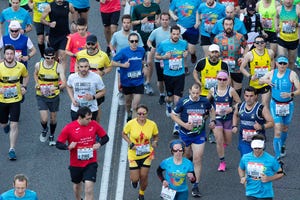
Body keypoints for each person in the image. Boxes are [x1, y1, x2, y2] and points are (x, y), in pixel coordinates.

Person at [171, 83, 216, 197]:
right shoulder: (183, 102)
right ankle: (188, 159)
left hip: (198, 134)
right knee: (186, 156)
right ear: (190, 91)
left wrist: (212, 121)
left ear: (200, 92)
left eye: (197, 93)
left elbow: (212, 110)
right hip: (185, 134)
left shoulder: (204, 101)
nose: (195, 95)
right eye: (193, 93)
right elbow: (174, 115)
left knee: (198, 158)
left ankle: (195, 186)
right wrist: (184, 124)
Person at [56, 106, 109, 200]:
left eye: (91, 118)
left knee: (89, 189)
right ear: (80, 118)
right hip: (76, 163)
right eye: (87, 119)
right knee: (77, 186)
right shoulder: (69, 128)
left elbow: (105, 138)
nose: (90, 121)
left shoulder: (94, 124)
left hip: (91, 162)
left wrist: (99, 144)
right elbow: (58, 143)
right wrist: (68, 147)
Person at [259, 55, 300, 160]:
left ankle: (282, 145)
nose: (282, 65)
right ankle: (277, 156)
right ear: (276, 63)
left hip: (288, 105)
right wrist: (266, 81)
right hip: (275, 104)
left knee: (285, 128)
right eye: (280, 63)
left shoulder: (292, 74)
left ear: (287, 64)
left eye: (284, 63)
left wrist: (291, 94)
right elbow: (260, 80)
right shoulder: (272, 73)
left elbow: (299, 89)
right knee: (277, 129)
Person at [193, 44, 229, 143]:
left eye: (216, 52)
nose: (214, 54)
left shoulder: (223, 65)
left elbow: (228, 78)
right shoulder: (202, 62)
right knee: (203, 114)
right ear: (209, 53)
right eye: (212, 52)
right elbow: (195, 72)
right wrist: (198, 82)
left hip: (217, 94)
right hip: (204, 93)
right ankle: (201, 133)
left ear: (219, 53)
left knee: (215, 114)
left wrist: (224, 90)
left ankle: (212, 133)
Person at [122, 104, 159, 200]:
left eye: (144, 114)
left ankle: (141, 194)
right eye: (139, 114)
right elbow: (124, 134)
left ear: (147, 114)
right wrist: (130, 143)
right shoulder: (130, 123)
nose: (141, 116)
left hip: (147, 154)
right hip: (133, 155)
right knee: (135, 178)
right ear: (136, 114)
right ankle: (134, 181)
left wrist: (155, 142)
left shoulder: (152, 124)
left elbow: (156, 135)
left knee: (144, 175)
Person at [207, 70, 241, 172]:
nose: (222, 81)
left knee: (228, 140)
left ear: (227, 80)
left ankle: (221, 145)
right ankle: (222, 162)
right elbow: (205, 103)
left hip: (228, 118)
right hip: (216, 118)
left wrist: (232, 108)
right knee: (219, 140)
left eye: (224, 79)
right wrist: (210, 112)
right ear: (216, 79)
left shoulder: (231, 91)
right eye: (219, 79)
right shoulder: (212, 90)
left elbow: (239, 102)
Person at [0, 45, 29, 160]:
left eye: (11, 54)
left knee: (14, 124)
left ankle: (12, 149)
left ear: (14, 55)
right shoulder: (0, 67)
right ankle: (4, 124)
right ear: (4, 55)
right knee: (3, 123)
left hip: (15, 99)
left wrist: (24, 87)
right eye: (7, 54)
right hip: (2, 100)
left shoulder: (20, 67)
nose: (9, 56)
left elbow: (26, 77)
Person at [34, 47, 66, 146]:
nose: (50, 60)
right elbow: (35, 74)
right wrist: (37, 83)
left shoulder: (58, 66)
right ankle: (45, 129)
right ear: (44, 56)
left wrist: (56, 87)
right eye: (48, 58)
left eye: (52, 58)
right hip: (41, 95)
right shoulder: (38, 65)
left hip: (54, 96)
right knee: (44, 119)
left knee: (53, 118)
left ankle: (52, 134)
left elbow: (64, 82)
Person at [109, 14, 144, 106]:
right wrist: (113, 53)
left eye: (128, 23)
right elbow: (111, 44)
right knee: (121, 83)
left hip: (134, 62)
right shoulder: (116, 35)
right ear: (122, 23)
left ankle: (133, 104)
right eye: (124, 23)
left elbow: (141, 48)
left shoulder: (135, 35)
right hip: (122, 62)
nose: (126, 25)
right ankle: (122, 93)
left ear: (131, 24)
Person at [76, 34, 112, 122]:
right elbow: (77, 66)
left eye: (93, 44)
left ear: (96, 44)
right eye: (89, 44)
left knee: (96, 110)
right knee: (81, 110)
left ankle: (96, 129)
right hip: (83, 86)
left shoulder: (103, 55)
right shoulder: (80, 54)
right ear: (86, 44)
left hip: (96, 88)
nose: (90, 46)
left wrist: (102, 72)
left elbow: (109, 67)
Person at [155, 25, 188, 119]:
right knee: (170, 98)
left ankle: (176, 124)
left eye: (177, 34)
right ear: (170, 34)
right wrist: (164, 57)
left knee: (177, 100)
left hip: (180, 74)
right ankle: (168, 104)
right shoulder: (163, 44)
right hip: (168, 74)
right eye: (174, 34)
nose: (176, 36)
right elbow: (156, 56)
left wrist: (186, 54)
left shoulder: (183, 43)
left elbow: (185, 52)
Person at [238, 134, 284, 200]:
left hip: (265, 195)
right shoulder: (245, 157)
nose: (257, 150)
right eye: (255, 148)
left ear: (263, 146)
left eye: (259, 148)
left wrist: (269, 178)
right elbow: (240, 168)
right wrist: (242, 177)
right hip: (251, 192)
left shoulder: (271, 159)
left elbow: (281, 173)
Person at [111, 32, 145, 121]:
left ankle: (133, 125)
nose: (134, 43)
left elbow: (143, 61)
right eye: (132, 41)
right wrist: (123, 65)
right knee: (128, 103)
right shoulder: (123, 52)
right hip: (127, 82)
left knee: (135, 106)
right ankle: (128, 113)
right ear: (129, 42)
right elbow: (111, 62)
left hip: (139, 81)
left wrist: (145, 66)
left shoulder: (141, 50)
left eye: (136, 41)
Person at [232, 86, 274, 156]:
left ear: (256, 96)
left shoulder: (261, 109)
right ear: (244, 96)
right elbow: (235, 115)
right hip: (244, 140)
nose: (249, 98)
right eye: (247, 96)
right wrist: (234, 125)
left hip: (257, 140)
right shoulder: (239, 106)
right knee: (247, 158)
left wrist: (261, 126)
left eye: (251, 96)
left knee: (257, 160)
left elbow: (272, 122)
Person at [131, 0, 161, 95]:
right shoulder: (137, 8)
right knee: (141, 61)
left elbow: (158, 15)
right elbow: (132, 22)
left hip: (151, 39)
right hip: (139, 39)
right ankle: (139, 78)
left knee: (149, 61)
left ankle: (147, 82)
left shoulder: (155, 6)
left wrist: (158, 20)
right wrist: (141, 21)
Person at [214, 17, 248, 97]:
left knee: (237, 90)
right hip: (223, 68)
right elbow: (214, 52)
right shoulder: (217, 38)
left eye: (230, 24)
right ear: (223, 25)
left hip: (237, 68)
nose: (228, 26)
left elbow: (246, 47)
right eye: (226, 24)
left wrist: (243, 57)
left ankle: (236, 107)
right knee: (225, 89)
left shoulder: (240, 37)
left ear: (233, 25)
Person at [41, 0, 76, 71]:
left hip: (65, 35)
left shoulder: (69, 5)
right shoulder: (49, 6)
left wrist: (73, 22)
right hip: (53, 36)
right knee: (55, 58)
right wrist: (49, 24)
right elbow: (42, 19)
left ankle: (61, 78)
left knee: (62, 57)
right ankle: (55, 75)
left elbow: (74, 12)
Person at [240, 35, 275, 108]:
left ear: (265, 43)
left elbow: (272, 65)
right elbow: (242, 68)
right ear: (254, 44)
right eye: (257, 42)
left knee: (264, 104)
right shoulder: (249, 54)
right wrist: (250, 76)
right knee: (253, 104)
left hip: (265, 83)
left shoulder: (270, 52)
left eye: (262, 42)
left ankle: (263, 118)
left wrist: (270, 76)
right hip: (254, 83)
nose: (260, 44)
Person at [147, 12, 171, 105]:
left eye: (166, 20)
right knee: (160, 80)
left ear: (169, 20)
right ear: (160, 20)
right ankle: (162, 94)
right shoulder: (156, 31)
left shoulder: (172, 31)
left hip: (171, 60)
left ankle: (169, 94)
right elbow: (149, 41)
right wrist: (151, 47)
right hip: (159, 59)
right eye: (163, 20)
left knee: (169, 78)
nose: (165, 21)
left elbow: (180, 41)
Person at [276, 0, 300, 69]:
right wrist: (276, 26)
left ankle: (289, 75)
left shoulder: (297, 8)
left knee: (291, 61)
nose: (288, 1)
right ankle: (281, 75)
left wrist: (296, 24)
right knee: (282, 59)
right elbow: (276, 17)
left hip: (294, 39)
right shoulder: (279, 8)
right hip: (282, 38)